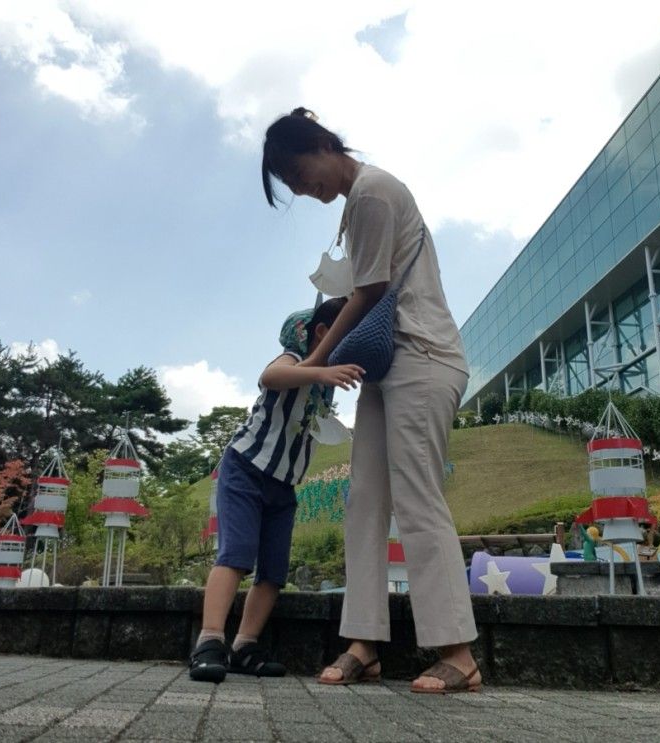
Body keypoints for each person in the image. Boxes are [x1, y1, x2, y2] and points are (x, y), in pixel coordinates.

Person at [261, 108, 481, 694]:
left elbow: (368, 294)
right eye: (293, 183)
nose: (305, 189)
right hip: (389, 367)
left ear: (324, 144)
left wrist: (311, 365)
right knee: (363, 502)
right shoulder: (359, 202)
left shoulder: (373, 193)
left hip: (423, 357)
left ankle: (457, 653)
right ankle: (364, 641)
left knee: (416, 498)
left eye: (300, 172)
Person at [189, 296, 362, 683]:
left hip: (283, 485)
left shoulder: (326, 386)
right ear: (322, 333)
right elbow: (270, 377)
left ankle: (244, 645)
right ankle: (210, 640)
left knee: (273, 570)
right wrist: (318, 372)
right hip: (246, 469)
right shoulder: (293, 361)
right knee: (235, 555)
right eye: (347, 339)